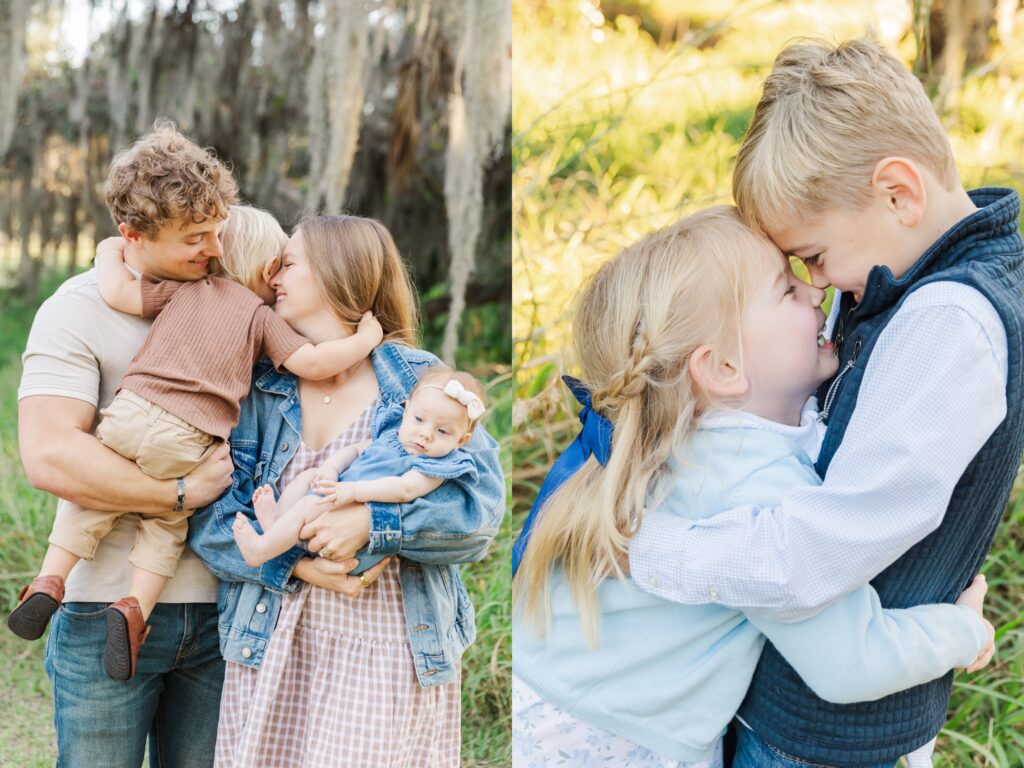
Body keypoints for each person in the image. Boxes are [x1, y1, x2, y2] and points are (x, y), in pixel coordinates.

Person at [624, 39, 1024, 767]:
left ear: (898, 193)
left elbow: (822, 547)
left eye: (812, 255)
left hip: (819, 729)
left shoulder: (949, 324)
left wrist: (655, 552)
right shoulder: (918, 284)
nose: (816, 283)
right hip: (827, 703)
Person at [512, 206, 994, 768]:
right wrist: (960, 631)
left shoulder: (671, 441)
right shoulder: (757, 486)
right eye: (785, 289)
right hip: (614, 739)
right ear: (721, 369)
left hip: (551, 700)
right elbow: (850, 661)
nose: (815, 291)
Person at [10, 206, 383, 682]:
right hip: (189, 436)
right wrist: (367, 337)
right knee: (166, 526)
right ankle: (134, 609)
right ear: (269, 270)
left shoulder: (182, 292)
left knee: (89, 502)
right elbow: (314, 363)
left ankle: (49, 578)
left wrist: (110, 249)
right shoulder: (259, 317)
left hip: (130, 413)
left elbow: (119, 290)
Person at [188, 214, 505, 768]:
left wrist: (373, 524)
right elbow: (210, 520)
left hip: (383, 650)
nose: (273, 275)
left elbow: (478, 514)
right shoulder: (257, 382)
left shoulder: (417, 383)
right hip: (273, 644)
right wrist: (294, 565)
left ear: (338, 274)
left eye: (289, 263)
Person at [16, 122, 236, 765]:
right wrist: (176, 493)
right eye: (195, 239)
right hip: (98, 605)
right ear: (132, 237)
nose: (214, 249)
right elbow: (51, 454)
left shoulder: (230, 299)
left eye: (217, 230)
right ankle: (50, 585)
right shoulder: (77, 310)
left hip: (228, 611)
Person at [234, 367, 486, 569]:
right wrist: (331, 469)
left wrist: (353, 491)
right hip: (339, 496)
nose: (425, 434)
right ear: (406, 409)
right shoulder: (391, 435)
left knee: (309, 505)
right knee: (309, 476)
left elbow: (404, 490)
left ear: (461, 441)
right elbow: (355, 450)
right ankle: (278, 520)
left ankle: (260, 550)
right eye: (419, 419)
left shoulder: (435, 465)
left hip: (354, 534)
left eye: (442, 431)